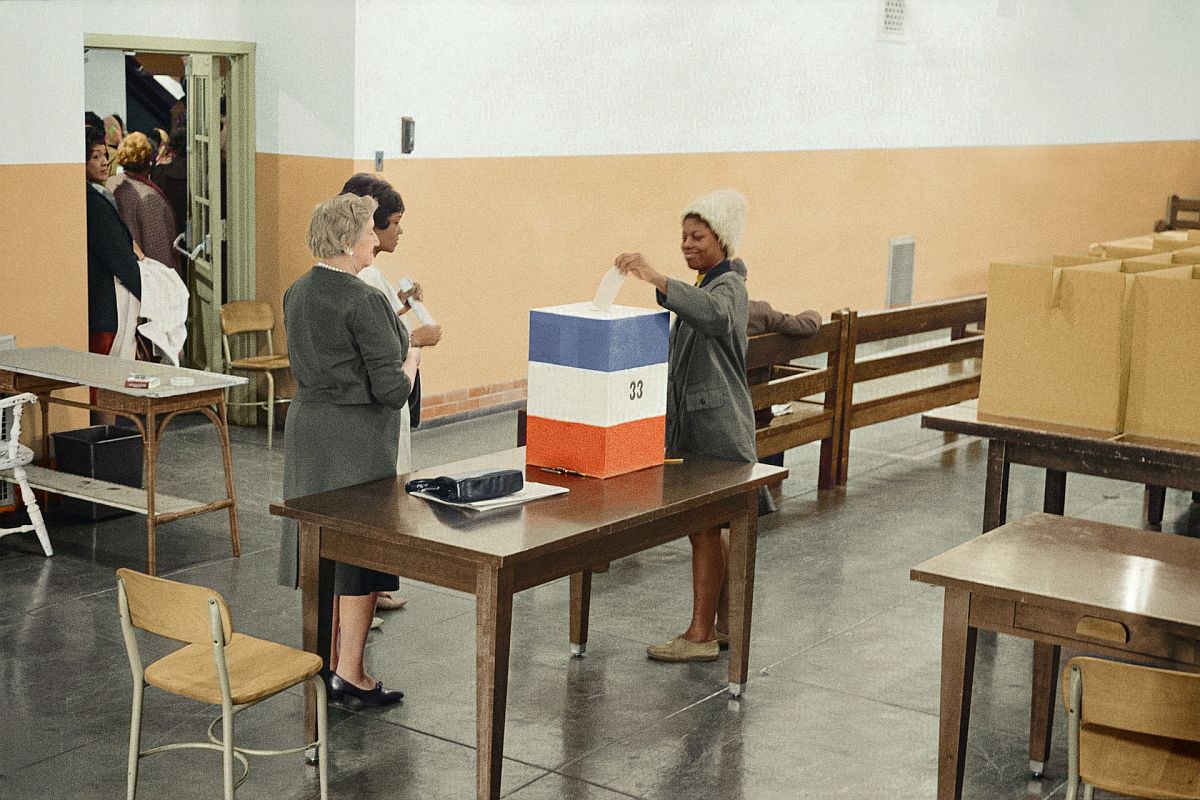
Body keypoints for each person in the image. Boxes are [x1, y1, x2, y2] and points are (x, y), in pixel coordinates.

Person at [278, 193, 419, 706]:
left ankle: (322, 661)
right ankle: (352, 672)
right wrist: (414, 361)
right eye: (366, 232)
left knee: (319, 551)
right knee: (357, 555)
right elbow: (391, 390)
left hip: (309, 430)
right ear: (345, 241)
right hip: (355, 441)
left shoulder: (297, 292)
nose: (373, 240)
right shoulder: (365, 299)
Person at [615, 188, 756, 663]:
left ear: (722, 237)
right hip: (703, 433)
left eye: (698, 236)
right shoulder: (709, 284)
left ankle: (698, 636)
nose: (688, 244)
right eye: (684, 236)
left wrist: (657, 277)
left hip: (718, 434)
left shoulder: (728, 288)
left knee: (703, 529)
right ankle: (723, 626)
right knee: (709, 528)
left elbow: (713, 316)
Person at [340, 173, 443, 618]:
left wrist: (402, 308)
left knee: (386, 491)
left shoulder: (370, 277)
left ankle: (372, 587)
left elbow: (382, 324)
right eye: (393, 223)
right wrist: (417, 339)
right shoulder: (360, 276)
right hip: (380, 398)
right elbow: (384, 343)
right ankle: (363, 593)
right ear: (371, 226)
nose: (398, 232)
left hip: (381, 398)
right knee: (379, 495)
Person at [85, 125, 142, 358]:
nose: (103, 163)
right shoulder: (93, 204)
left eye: (105, 155)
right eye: (95, 157)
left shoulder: (93, 197)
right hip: (104, 308)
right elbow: (118, 255)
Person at [108, 132, 180, 278]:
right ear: (150, 160)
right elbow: (159, 250)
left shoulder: (112, 183)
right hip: (147, 277)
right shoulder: (148, 197)